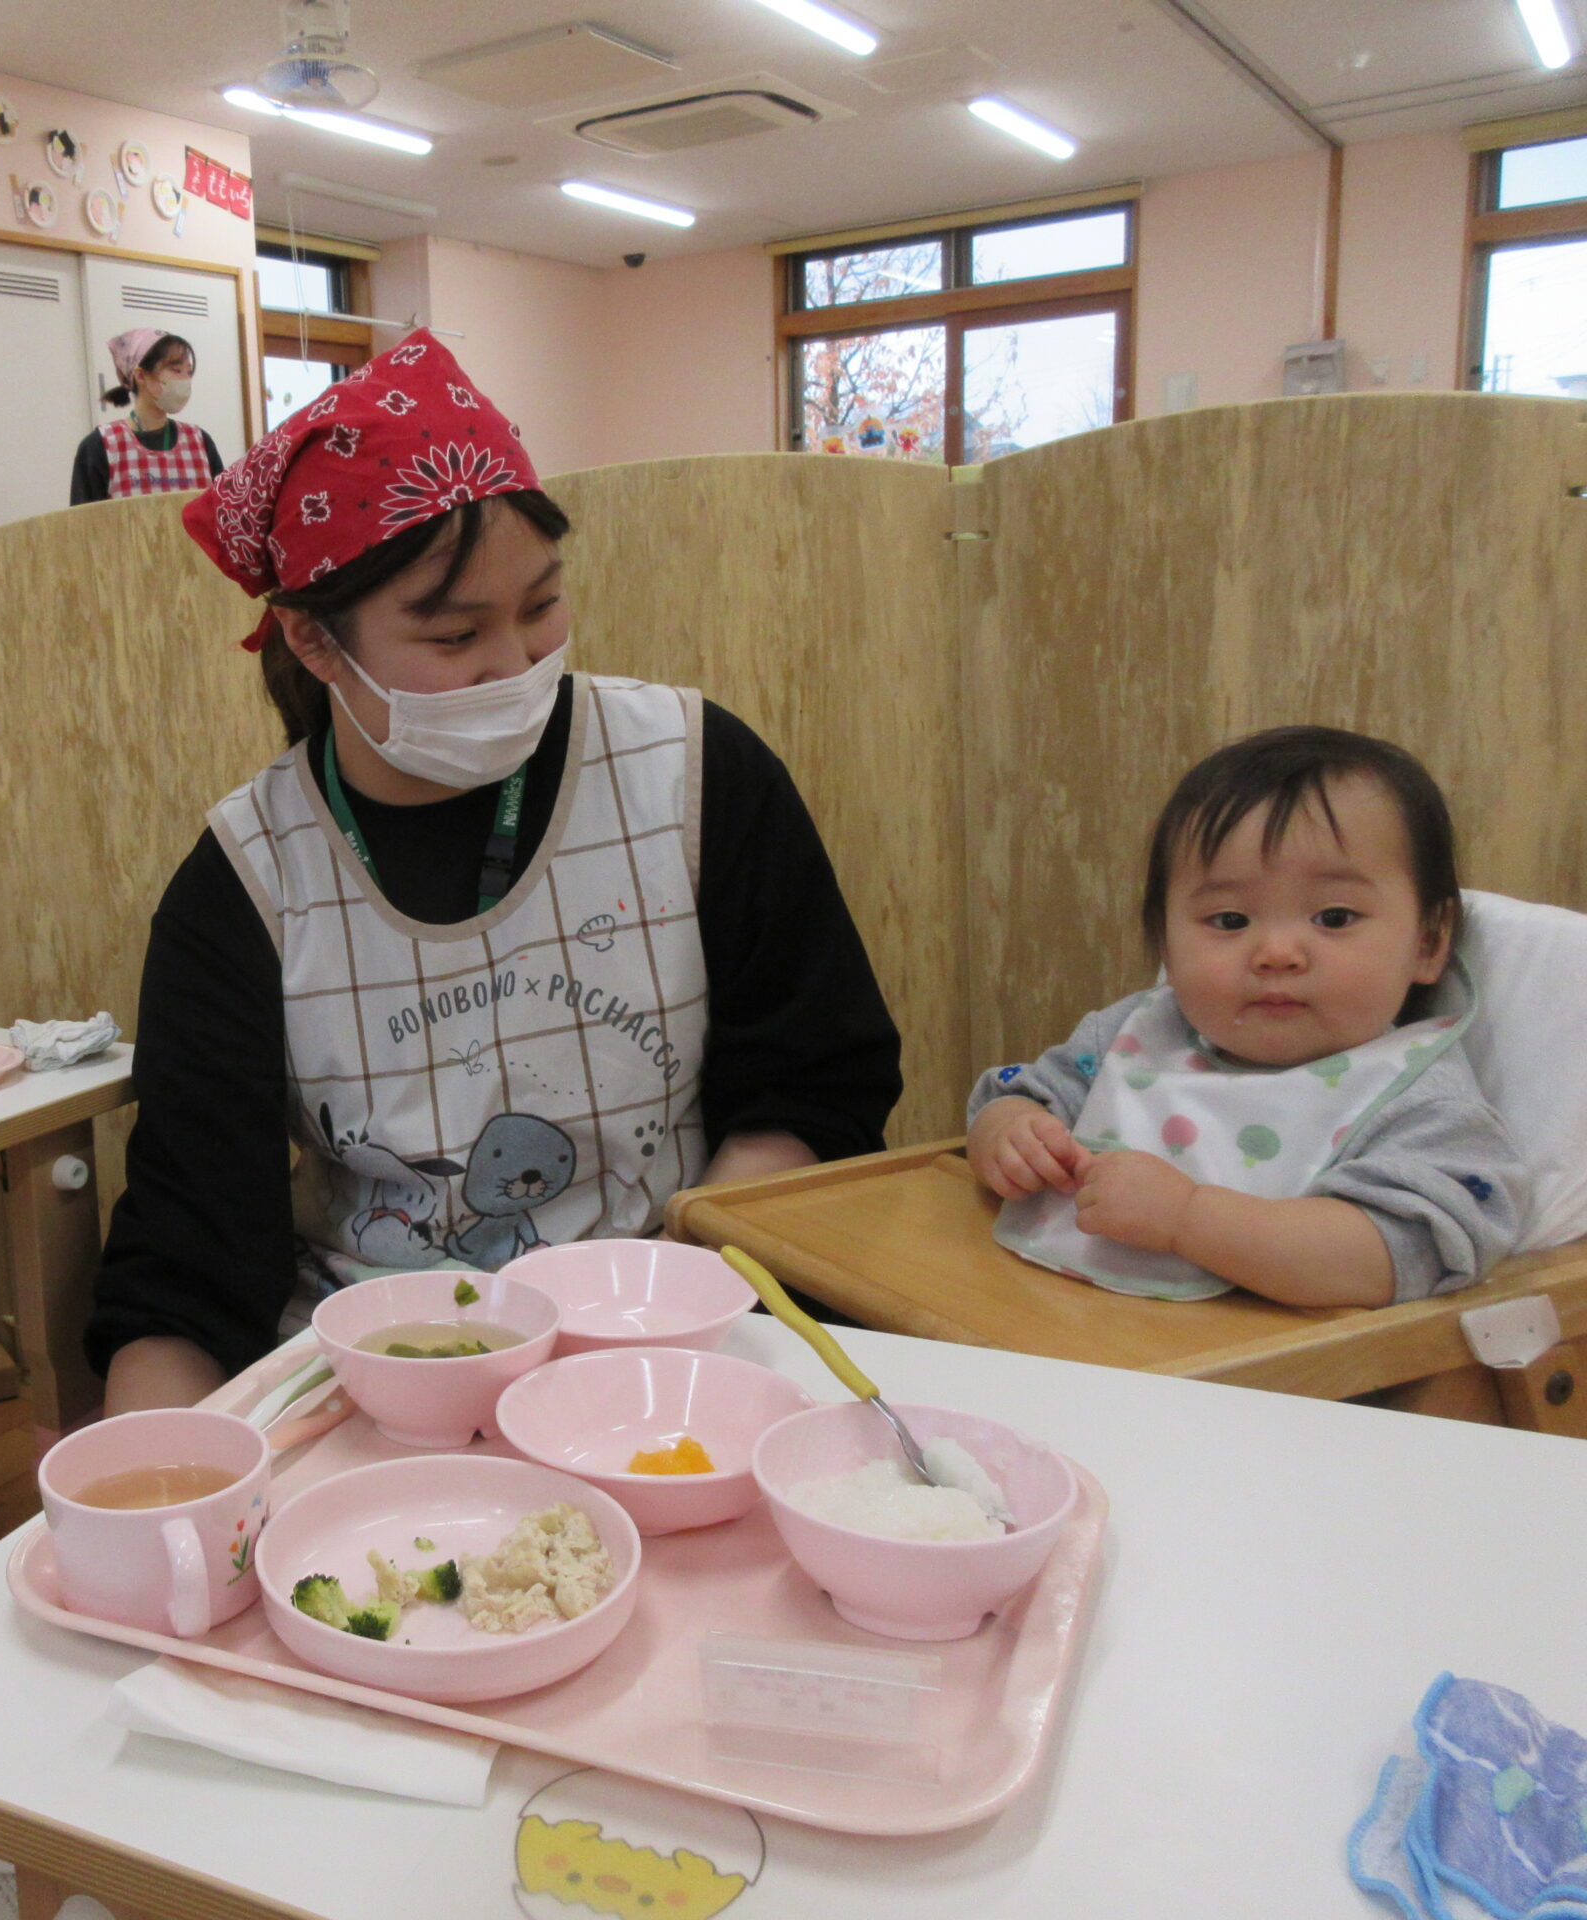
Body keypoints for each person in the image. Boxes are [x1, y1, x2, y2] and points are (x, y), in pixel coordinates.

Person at [88, 331, 903, 1414]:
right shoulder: (248, 880)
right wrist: (161, 1467)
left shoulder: (694, 773)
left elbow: (813, 1088)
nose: (517, 664)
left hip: (681, 1332)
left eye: (541, 606)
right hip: (384, 1372)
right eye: (454, 634)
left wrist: (667, 1303)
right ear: (315, 643)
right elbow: (189, 1260)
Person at [967, 726, 1522, 1308]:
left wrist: (1188, 1219)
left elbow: (1398, 1254)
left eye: (1334, 917)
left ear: (1428, 942)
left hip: (1266, 1362)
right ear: (1165, 945)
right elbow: (1021, 1097)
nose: (1277, 953)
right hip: (1041, 1322)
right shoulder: (1134, 1036)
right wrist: (1009, 1134)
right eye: (1230, 920)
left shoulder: (1420, 1104)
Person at [69, 329, 225, 504]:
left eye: (188, 372)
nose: (185, 380)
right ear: (141, 376)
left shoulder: (200, 442)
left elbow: (223, 509)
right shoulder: (101, 446)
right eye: (176, 370)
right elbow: (83, 519)